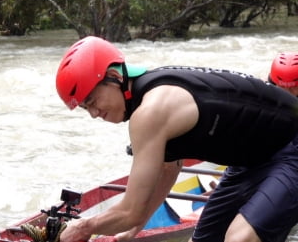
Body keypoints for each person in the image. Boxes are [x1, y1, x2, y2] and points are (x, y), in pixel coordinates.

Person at [55, 36, 298, 242]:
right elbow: (168, 170)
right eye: (86, 109)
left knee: (239, 238)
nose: (94, 114)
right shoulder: (149, 94)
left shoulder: (150, 112)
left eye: (93, 102)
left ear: (114, 76)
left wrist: (84, 227)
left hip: (292, 149)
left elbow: (130, 210)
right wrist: (135, 228)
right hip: (251, 160)